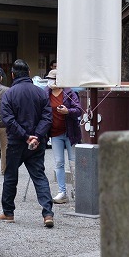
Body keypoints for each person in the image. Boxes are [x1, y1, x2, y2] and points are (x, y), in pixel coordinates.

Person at [0, 58, 54, 228]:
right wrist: (36, 136)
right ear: (29, 74)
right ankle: (47, 214)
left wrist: (25, 136)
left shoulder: (9, 94)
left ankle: (8, 212)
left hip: (17, 141)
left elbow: (8, 120)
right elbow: (47, 117)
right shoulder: (41, 93)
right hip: (37, 142)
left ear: (13, 74)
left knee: (10, 176)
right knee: (39, 175)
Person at [45, 67, 81, 204]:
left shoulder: (69, 93)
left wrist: (68, 111)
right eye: (49, 79)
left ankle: (78, 191)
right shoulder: (45, 93)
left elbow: (78, 110)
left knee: (73, 162)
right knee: (59, 162)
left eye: (52, 79)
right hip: (55, 133)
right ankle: (62, 192)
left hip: (70, 132)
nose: (49, 82)